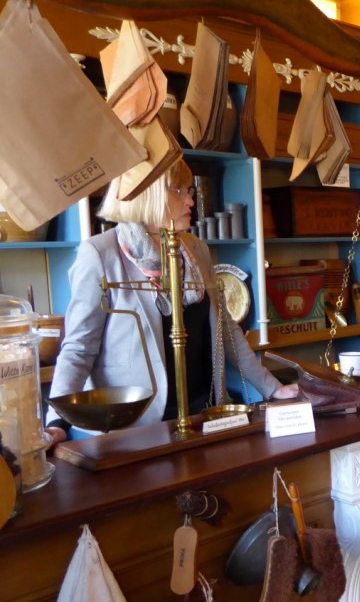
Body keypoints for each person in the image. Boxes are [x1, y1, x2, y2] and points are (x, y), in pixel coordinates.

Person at [45, 159, 298, 443]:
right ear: (148, 194)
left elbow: (226, 329)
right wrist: (57, 421)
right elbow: (79, 347)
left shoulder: (195, 249)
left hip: (200, 411)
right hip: (134, 427)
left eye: (188, 190)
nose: (191, 199)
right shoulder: (100, 254)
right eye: (178, 190)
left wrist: (271, 388)